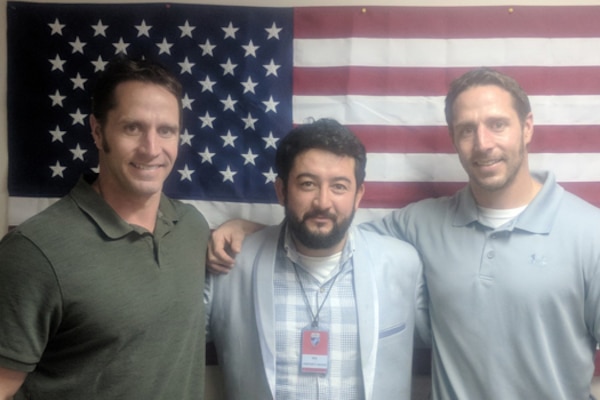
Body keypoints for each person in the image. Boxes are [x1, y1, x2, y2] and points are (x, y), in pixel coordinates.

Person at [209, 68, 600, 399]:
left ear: (527, 127)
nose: (483, 143)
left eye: (497, 124)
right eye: (466, 129)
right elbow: (327, 232)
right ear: (453, 138)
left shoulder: (590, 233)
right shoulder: (421, 225)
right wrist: (253, 233)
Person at [0, 56, 210, 399]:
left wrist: (243, 226)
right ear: (98, 131)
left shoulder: (191, 227)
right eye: (133, 128)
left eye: (166, 131)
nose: (151, 149)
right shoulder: (33, 251)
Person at [204, 118, 424, 399]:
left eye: (339, 186)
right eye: (308, 184)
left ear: (358, 195)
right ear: (282, 191)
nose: (323, 202)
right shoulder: (229, 266)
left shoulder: (404, 265)